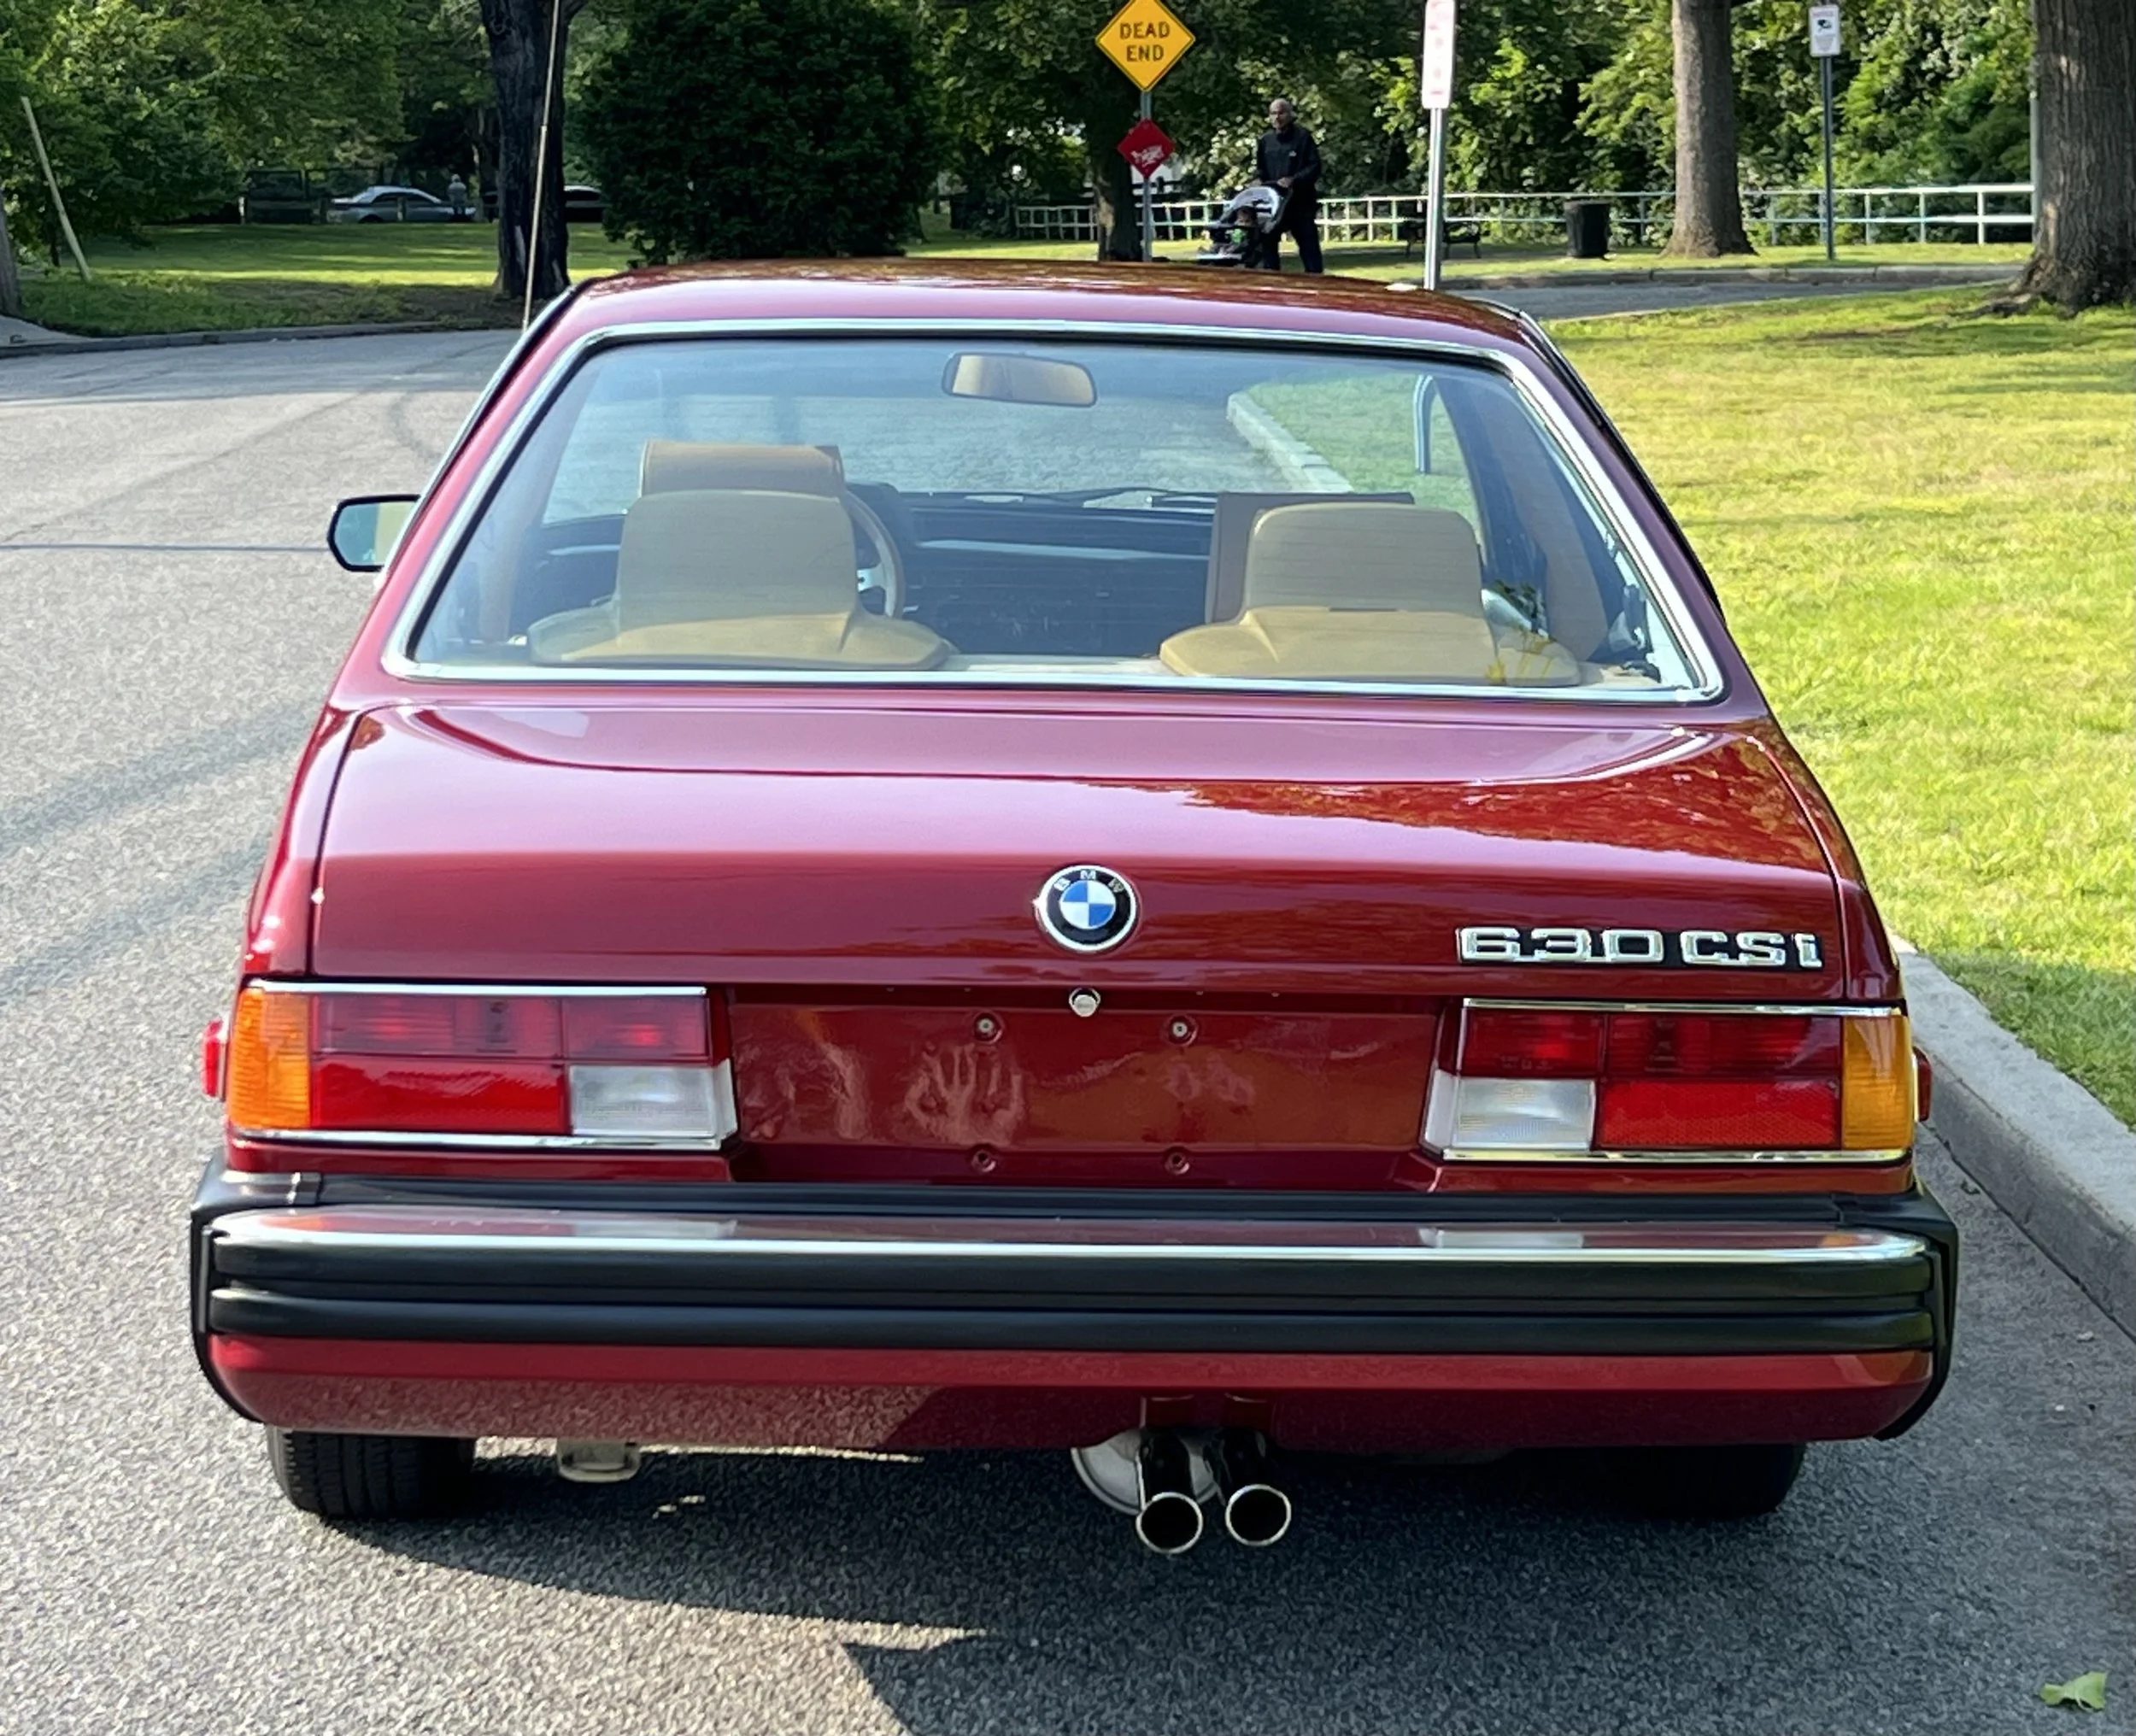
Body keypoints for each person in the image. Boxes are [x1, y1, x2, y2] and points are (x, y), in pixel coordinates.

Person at [1254, 97, 1323, 273]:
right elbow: (1260, 170)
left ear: (1290, 114)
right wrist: (1257, 182)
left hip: (1299, 203)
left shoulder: (1303, 137)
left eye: (1281, 113)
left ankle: (1317, 283)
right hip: (1275, 205)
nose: (1277, 117)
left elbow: (1314, 166)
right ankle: (1272, 284)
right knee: (1267, 243)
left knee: (1309, 247)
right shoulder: (1265, 141)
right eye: (1273, 113)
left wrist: (1294, 179)